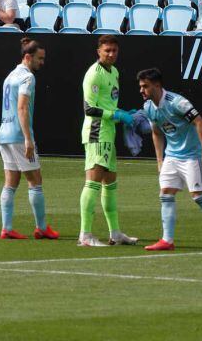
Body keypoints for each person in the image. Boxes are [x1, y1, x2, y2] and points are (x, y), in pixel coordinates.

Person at [138, 68, 202, 252]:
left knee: (198, 197)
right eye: (140, 86)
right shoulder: (148, 107)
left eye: (145, 86)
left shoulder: (177, 102)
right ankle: (167, 240)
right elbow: (156, 133)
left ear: (157, 85)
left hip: (191, 156)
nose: (141, 90)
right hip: (171, 156)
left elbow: (199, 122)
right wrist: (159, 160)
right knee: (165, 194)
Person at [78, 35, 138, 247]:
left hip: (108, 132)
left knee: (110, 184)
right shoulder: (94, 75)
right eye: (107, 51)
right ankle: (85, 235)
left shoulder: (114, 72)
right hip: (96, 131)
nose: (111, 54)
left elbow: (108, 104)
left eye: (114, 50)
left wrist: (120, 111)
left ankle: (115, 233)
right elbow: (89, 109)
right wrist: (116, 116)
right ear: (99, 52)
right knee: (93, 182)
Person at [0, 38, 58, 240]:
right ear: (28, 57)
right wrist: (28, 139)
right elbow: (22, 107)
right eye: (40, 59)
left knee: (11, 181)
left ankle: (6, 228)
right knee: (35, 180)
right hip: (17, 134)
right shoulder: (27, 78)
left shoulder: (10, 76)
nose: (42, 62)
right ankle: (41, 227)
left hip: (4, 133)